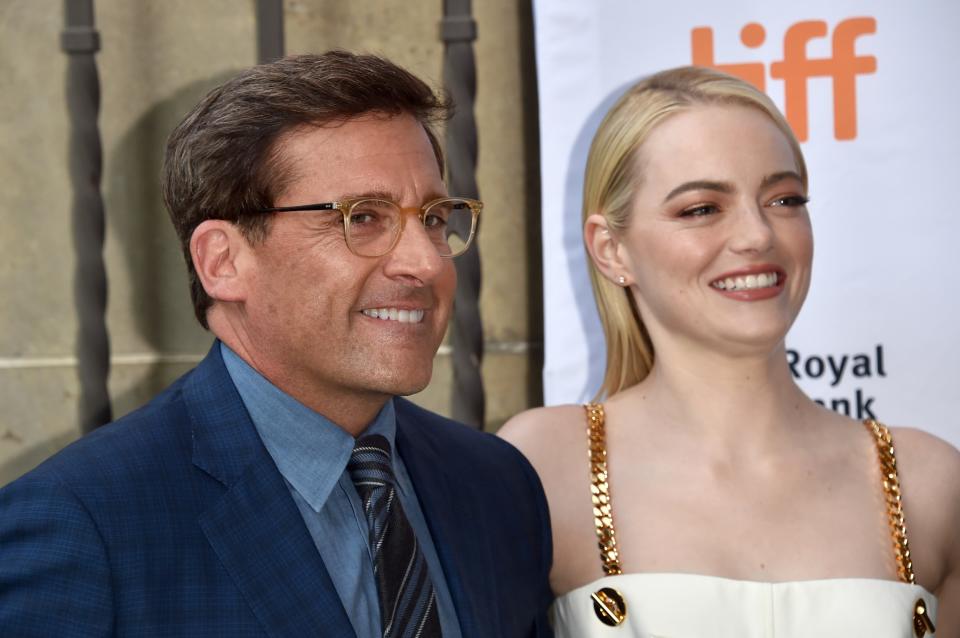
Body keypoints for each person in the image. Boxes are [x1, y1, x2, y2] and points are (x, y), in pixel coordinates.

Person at [0, 51, 553, 637]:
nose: (426, 262)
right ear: (223, 261)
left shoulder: (496, 486)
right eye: (362, 217)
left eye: (436, 218)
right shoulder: (83, 523)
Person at [500, 66, 959, 637]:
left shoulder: (929, 483)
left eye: (784, 199)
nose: (757, 235)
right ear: (611, 248)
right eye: (701, 208)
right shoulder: (541, 467)